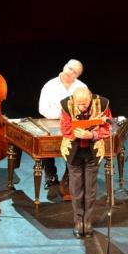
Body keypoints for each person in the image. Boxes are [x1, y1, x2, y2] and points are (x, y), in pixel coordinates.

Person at [60, 87, 112, 238]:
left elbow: (108, 127)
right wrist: (81, 131)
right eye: (79, 104)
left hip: (93, 151)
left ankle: (88, 221)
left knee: (90, 189)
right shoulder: (66, 105)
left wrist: (92, 134)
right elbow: (65, 128)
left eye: (85, 104)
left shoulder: (102, 104)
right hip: (73, 151)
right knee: (76, 190)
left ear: (90, 98)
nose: (82, 107)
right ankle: (78, 222)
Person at [38, 59, 86, 189]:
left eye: (75, 72)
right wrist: (62, 115)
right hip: (51, 123)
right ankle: (50, 176)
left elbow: (86, 107)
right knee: (46, 146)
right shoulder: (50, 85)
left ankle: (70, 176)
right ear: (64, 66)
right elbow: (42, 109)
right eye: (70, 68)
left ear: (78, 75)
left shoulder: (81, 87)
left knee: (77, 145)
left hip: (73, 124)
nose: (71, 73)